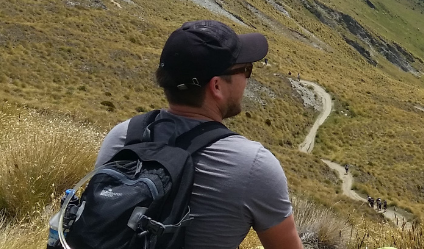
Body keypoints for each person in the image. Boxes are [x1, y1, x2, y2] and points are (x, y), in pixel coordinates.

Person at [95, 20, 304, 249]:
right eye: (246, 70)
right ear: (216, 86)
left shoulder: (122, 136)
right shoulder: (254, 166)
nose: (247, 79)